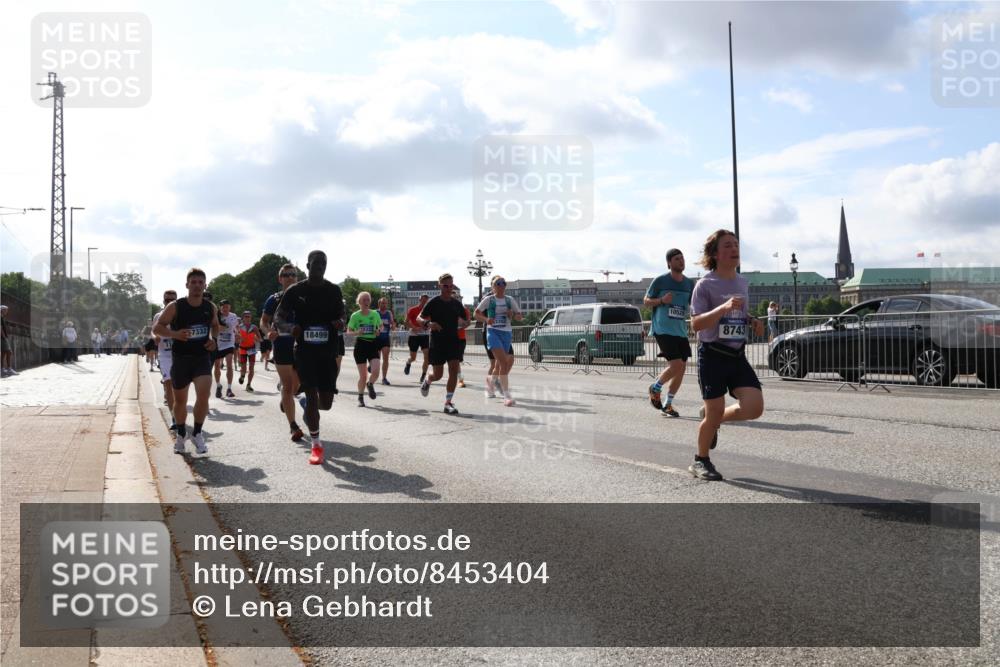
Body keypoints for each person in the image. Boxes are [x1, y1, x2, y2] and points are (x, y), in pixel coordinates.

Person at [688, 229, 765, 481]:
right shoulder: (704, 285)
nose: (734, 250)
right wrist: (722, 307)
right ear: (715, 254)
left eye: (736, 245)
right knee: (714, 412)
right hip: (712, 355)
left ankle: (712, 418)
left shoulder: (742, 282)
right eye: (728, 246)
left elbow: (738, 314)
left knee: (754, 407)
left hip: (736, 354)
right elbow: (696, 324)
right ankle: (701, 460)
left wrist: (752, 320)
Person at [274, 250, 344, 465]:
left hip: (327, 350)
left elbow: (342, 315)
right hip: (304, 352)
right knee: (313, 396)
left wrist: (339, 323)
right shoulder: (296, 291)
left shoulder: (333, 290)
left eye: (323, 263)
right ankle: (316, 444)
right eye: (316, 263)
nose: (320, 266)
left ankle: (303, 401)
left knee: (326, 403)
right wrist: (291, 327)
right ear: (307, 265)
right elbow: (279, 318)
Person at [153, 269, 218, 456]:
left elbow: (214, 325)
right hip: (180, 359)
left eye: (200, 282)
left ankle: (197, 433)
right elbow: (157, 327)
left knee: (203, 395)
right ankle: (181, 433)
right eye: (193, 282)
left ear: (205, 285)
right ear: (187, 285)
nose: (197, 285)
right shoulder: (176, 306)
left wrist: (214, 339)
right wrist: (174, 334)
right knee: (180, 401)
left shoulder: (209, 307)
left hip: (201, 358)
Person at [644, 248, 695, 418]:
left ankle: (668, 404)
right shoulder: (660, 281)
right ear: (669, 263)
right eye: (677, 259)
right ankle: (655, 387)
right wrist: (661, 301)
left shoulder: (689, 284)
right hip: (663, 329)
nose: (681, 261)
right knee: (677, 365)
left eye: (682, 258)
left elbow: (694, 305)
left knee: (681, 369)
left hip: (680, 331)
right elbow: (646, 301)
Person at [261, 263, 304, 441]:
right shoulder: (274, 299)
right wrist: (268, 332)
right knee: (288, 386)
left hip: (302, 345)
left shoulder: (304, 297)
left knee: (296, 386)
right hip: (282, 345)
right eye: (286, 275)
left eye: (293, 274)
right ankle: (293, 426)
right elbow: (263, 322)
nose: (290, 277)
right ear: (280, 279)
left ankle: (285, 399)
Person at [418, 274, 468, 414]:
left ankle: (448, 402)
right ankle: (428, 380)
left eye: (451, 285)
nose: (448, 288)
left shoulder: (456, 303)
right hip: (437, 342)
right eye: (445, 285)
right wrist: (428, 323)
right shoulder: (434, 302)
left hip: (453, 341)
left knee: (453, 370)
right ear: (439, 286)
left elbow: (465, 320)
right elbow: (419, 317)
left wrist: (464, 324)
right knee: (438, 375)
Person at [475, 275, 523, 406]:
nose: (501, 285)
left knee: (501, 365)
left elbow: (519, 316)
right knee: (502, 362)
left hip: (506, 333)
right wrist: (486, 320)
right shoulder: (489, 300)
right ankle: (506, 395)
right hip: (493, 333)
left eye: (503, 283)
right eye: (498, 283)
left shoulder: (510, 300)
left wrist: (513, 315)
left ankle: (491, 383)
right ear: (493, 287)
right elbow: (476, 313)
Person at [347, 292, 383, 407]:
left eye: (368, 300)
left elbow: (381, 326)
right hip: (361, 345)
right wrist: (358, 332)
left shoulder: (375, 314)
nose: (366, 302)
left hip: (373, 344)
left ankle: (370, 384)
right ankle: (360, 397)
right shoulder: (355, 316)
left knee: (376, 371)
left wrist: (379, 331)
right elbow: (348, 331)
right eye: (364, 300)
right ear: (359, 302)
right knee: (363, 376)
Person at [152, 290, 179, 431]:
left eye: (172, 300)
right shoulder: (159, 315)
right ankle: (174, 417)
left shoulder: (181, 315)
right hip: (165, 355)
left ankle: (179, 413)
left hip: (180, 355)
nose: (169, 302)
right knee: (169, 384)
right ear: (163, 301)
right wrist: (155, 336)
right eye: (166, 300)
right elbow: (152, 330)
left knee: (179, 387)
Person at [213, 300, 239, 398]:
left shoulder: (233, 316)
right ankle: (218, 385)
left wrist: (237, 333)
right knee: (217, 366)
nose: (225, 309)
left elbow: (234, 326)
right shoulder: (216, 316)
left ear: (230, 307)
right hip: (218, 344)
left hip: (229, 343)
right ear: (220, 308)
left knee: (229, 364)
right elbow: (216, 328)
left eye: (227, 307)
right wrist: (221, 327)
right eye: (223, 307)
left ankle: (229, 388)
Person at [404, 294, 430, 382]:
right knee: (413, 357)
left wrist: (428, 326)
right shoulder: (412, 310)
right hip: (414, 335)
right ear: (419, 300)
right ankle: (408, 363)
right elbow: (406, 322)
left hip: (425, 335)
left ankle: (423, 375)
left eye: (426, 300)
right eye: (423, 300)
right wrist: (414, 328)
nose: (424, 302)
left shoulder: (429, 311)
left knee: (427, 355)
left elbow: (432, 322)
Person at [237, 311, 260, 391]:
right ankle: (242, 376)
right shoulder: (239, 327)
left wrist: (258, 339)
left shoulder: (254, 327)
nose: (248, 318)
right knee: (243, 367)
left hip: (251, 349)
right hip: (242, 348)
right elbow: (235, 337)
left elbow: (259, 337)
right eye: (246, 316)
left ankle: (249, 384)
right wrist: (239, 339)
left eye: (249, 316)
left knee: (251, 367)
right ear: (243, 318)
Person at [375, 297, 395, 385]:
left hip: (385, 338)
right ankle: (372, 369)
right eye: (382, 303)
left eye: (386, 303)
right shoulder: (375, 313)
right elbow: (371, 323)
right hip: (376, 339)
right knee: (376, 359)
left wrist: (392, 326)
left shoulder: (389, 313)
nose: (384, 305)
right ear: (379, 304)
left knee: (386, 358)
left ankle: (384, 378)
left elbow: (393, 324)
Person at [1, 305, 16, 376]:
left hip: (2, 337)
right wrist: (4, 337)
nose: (7, 312)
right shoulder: (0, 317)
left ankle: (2, 369)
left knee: (3, 353)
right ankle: (9, 369)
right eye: (6, 310)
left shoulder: (2, 317)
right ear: (2, 310)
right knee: (9, 352)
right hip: (2, 338)